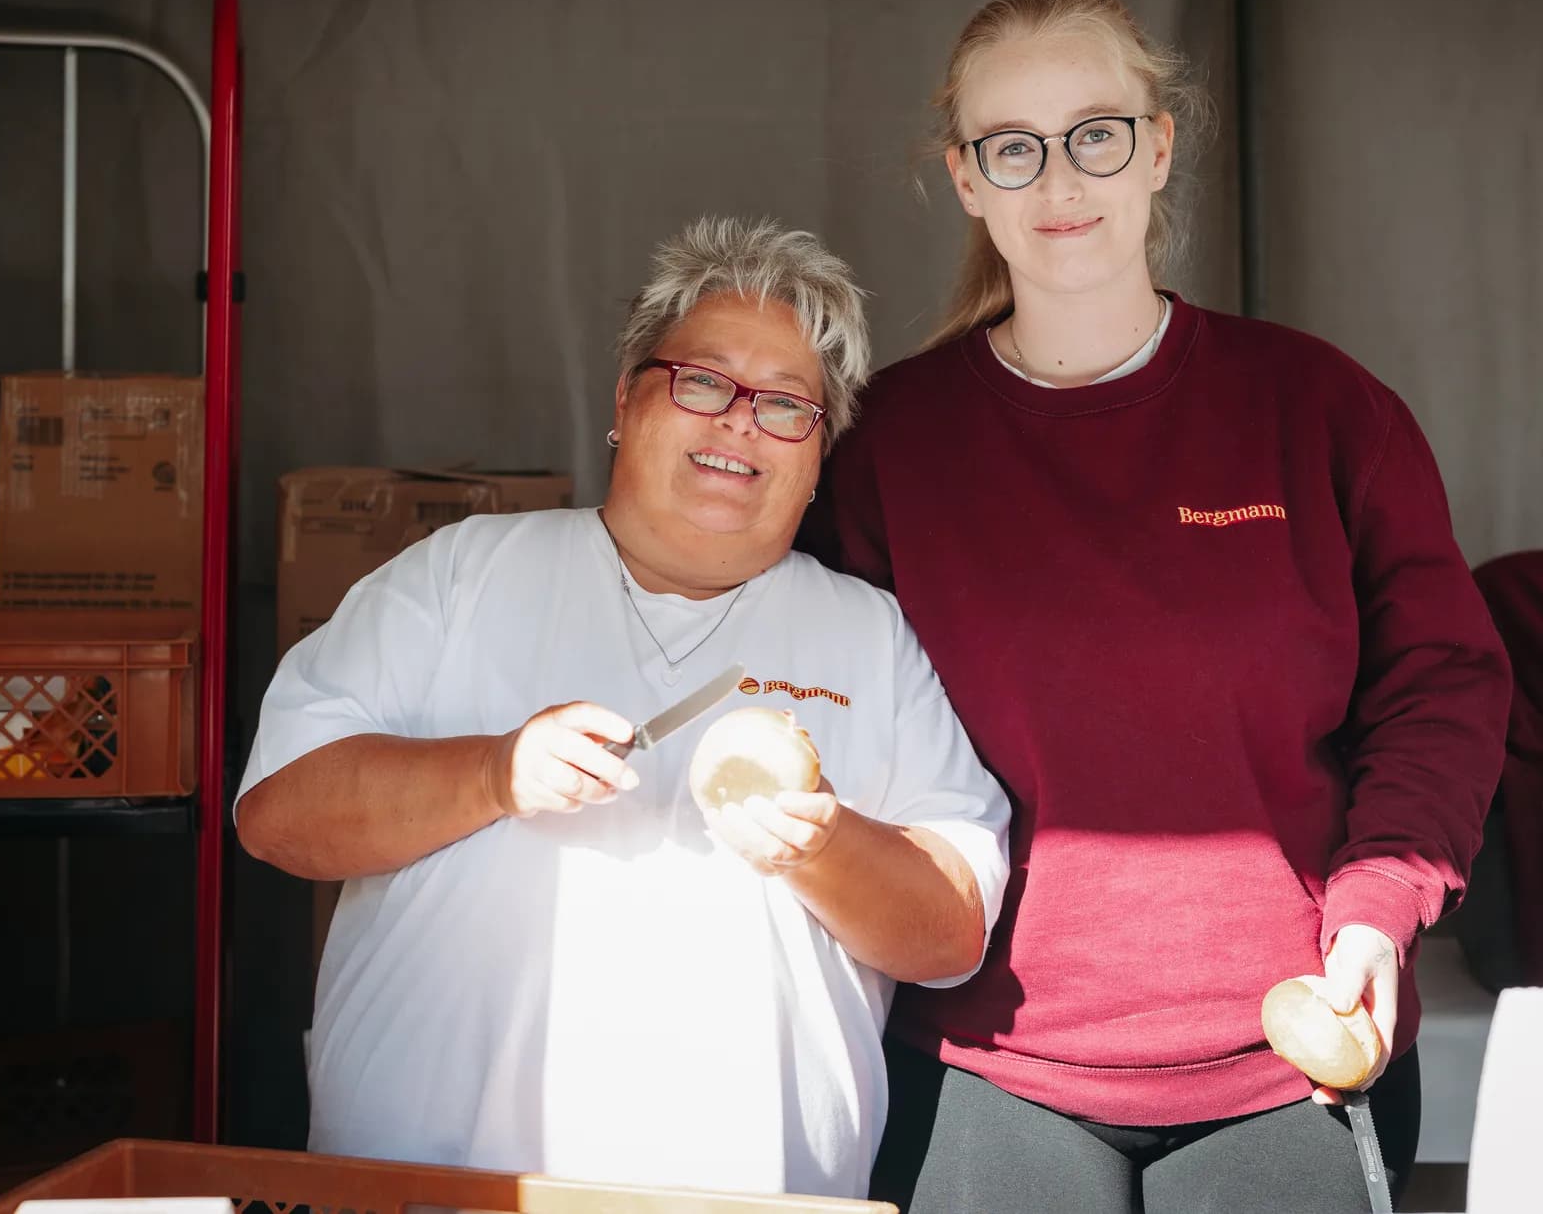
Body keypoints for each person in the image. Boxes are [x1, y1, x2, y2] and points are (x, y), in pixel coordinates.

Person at [802, 0, 1512, 1211]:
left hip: (1290, 1056)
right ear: (965, 179)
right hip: (986, 1059)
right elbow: (824, 710)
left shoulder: (1320, 411)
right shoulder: (888, 448)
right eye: (1010, 149)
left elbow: (1438, 686)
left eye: (1094, 133)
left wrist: (1375, 907)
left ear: (1158, 146)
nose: (1057, 181)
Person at [236, 216, 1012, 1200]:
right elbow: (279, 817)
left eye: (785, 406)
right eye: (704, 381)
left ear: (820, 455)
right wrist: (492, 774)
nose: (739, 422)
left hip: (742, 1191)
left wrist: (821, 846)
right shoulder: (458, 576)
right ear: (623, 399)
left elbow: (946, 934)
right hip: (433, 1182)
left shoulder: (868, 636)